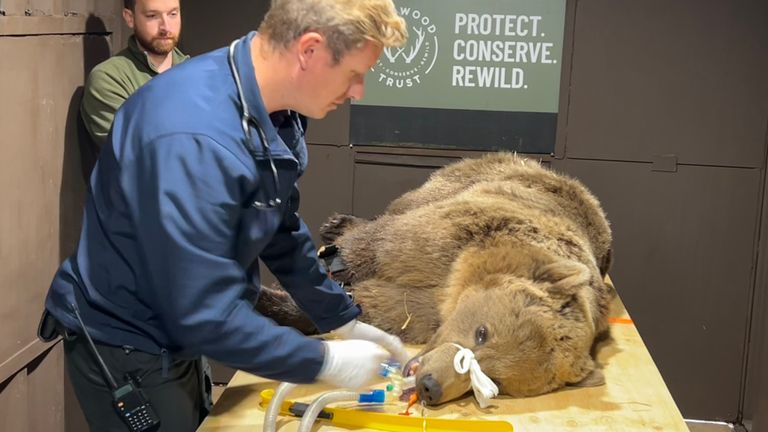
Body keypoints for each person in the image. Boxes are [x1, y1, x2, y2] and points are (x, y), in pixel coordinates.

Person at [39, 0, 408, 430]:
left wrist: (342, 321)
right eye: (354, 74)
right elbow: (199, 310)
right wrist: (324, 361)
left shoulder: (276, 109)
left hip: (180, 328)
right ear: (308, 51)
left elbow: (279, 228)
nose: (358, 91)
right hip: (128, 341)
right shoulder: (191, 136)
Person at [81, 0, 187, 150]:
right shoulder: (109, 78)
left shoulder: (197, 73)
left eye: (173, 14)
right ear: (130, 18)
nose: (166, 27)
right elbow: (140, 152)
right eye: (152, 16)